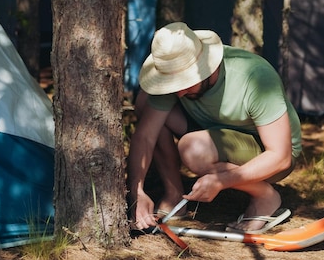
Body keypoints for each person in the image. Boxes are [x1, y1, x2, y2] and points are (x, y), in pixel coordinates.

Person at [127, 22, 302, 234]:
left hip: (267, 149)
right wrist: (137, 191)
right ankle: (174, 195)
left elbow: (281, 156)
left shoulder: (255, 77)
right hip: (211, 131)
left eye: (185, 83)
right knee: (146, 104)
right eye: (174, 85)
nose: (179, 93)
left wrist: (223, 180)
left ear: (206, 66)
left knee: (193, 149)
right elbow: (145, 136)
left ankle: (266, 197)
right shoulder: (177, 83)